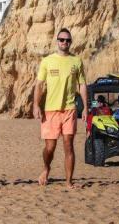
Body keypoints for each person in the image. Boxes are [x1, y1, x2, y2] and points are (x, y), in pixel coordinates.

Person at [33, 28, 88, 189]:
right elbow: (39, 85)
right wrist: (36, 105)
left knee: (68, 145)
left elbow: (82, 85)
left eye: (68, 40)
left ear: (71, 42)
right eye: (62, 40)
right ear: (57, 41)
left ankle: (69, 182)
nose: (64, 42)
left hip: (70, 109)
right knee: (50, 148)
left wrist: (85, 107)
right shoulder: (47, 61)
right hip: (50, 110)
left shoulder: (76, 61)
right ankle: (46, 168)